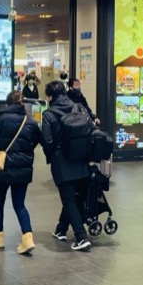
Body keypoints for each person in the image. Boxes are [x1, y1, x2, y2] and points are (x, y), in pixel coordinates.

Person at [0, 90, 42, 254]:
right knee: (19, 204)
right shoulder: (30, 122)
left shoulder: (1, 119)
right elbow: (35, 141)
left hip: (2, 167)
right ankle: (27, 238)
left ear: (7, 103)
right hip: (23, 168)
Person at [41, 80, 95, 251]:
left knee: (69, 199)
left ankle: (81, 237)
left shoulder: (48, 115)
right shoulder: (79, 108)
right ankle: (61, 229)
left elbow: (47, 141)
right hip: (81, 159)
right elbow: (91, 129)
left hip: (62, 162)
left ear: (50, 97)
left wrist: (53, 156)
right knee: (73, 197)